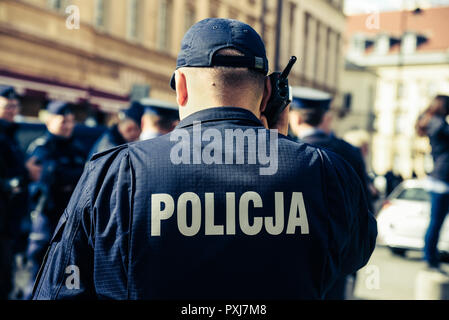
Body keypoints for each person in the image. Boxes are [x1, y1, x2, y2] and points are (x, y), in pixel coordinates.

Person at [32, 18, 377, 300]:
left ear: (181, 86)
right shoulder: (325, 171)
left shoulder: (116, 172)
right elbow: (354, 254)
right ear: (269, 92)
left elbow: (60, 288)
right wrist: (279, 147)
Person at [288, 87, 374, 299]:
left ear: (296, 119)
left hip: (296, 269)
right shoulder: (349, 153)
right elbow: (364, 215)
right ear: (326, 118)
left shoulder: (286, 152)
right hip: (339, 265)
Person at [24, 101, 87, 298]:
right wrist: (68, 177)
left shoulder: (77, 148)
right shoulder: (41, 148)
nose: (68, 126)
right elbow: (47, 178)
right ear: (50, 121)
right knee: (39, 271)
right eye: (63, 121)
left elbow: (85, 178)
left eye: (71, 121)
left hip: (71, 219)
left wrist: (66, 177)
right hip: (47, 218)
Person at [0, 85, 41, 299]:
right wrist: (24, 176)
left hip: (10, 222)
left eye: (15, 106)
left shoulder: (9, 134)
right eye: (7, 106)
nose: (12, 110)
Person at [416, 95, 449, 270]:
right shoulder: (438, 124)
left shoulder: (436, 122)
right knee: (436, 222)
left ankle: (431, 257)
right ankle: (429, 258)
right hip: (442, 178)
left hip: (441, 177)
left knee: (436, 222)